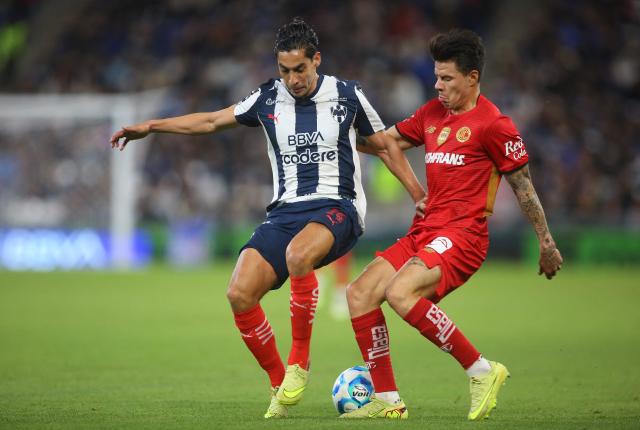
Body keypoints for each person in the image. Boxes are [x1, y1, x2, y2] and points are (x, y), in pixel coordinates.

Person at [110, 17, 424, 419]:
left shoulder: (347, 95)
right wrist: (151, 127)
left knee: (298, 255)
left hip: (338, 206)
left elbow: (384, 146)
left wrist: (418, 194)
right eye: (284, 70)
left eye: (300, 69)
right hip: (285, 212)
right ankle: (280, 384)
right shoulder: (267, 98)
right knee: (239, 292)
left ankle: (299, 363)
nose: (292, 79)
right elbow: (209, 121)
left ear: (316, 61)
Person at [341, 28, 563, 420]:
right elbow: (382, 142)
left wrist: (546, 242)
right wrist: (339, 132)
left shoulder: (495, 125)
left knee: (400, 292)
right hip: (425, 230)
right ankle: (388, 401)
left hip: (463, 235)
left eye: (446, 78)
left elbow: (524, 188)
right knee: (359, 294)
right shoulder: (430, 114)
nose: (437, 85)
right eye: (436, 76)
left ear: (472, 77)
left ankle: (481, 370)